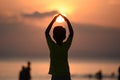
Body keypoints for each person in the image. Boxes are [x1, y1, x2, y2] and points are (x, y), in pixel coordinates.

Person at [45, 14, 74, 80]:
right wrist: (66, 20)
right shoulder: (65, 47)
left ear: (53, 36)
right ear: (64, 37)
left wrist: (53, 20)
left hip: (55, 75)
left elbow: (46, 33)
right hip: (65, 75)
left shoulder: (52, 47)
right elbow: (71, 33)